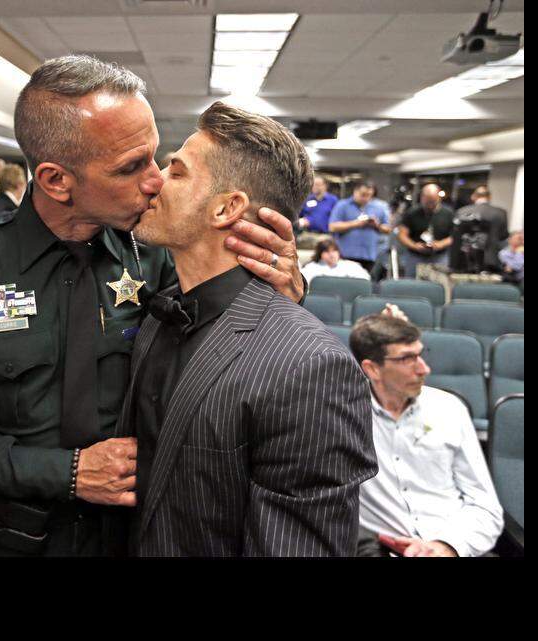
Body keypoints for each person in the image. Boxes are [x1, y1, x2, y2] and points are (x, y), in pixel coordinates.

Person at [0, 54, 306, 557]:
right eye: (131, 167)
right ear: (56, 180)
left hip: (144, 535)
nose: (156, 180)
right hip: (18, 539)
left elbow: (225, 370)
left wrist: (273, 302)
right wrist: (68, 473)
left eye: (156, 157)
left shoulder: (158, 254)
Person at [121, 100, 377, 556]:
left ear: (226, 208)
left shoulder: (309, 366)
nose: (155, 180)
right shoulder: (161, 317)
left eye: (176, 172)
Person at [349, 313, 503, 557]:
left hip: (455, 548)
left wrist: (446, 547)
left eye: (420, 354)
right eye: (406, 358)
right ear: (372, 369)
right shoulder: (345, 415)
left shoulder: (450, 408)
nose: (424, 369)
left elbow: (485, 507)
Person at [329, 182, 391, 272]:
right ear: (355, 191)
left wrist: (377, 225)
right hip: (346, 254)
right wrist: (356, 223)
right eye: (363, 195)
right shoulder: (342, 205)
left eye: (369, 195)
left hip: (369, 255)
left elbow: (388, 229)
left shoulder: (379, 207)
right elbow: (332, 227)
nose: (366, 198)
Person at [399, 184, 455, 278]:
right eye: (427, 202)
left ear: (439, 198)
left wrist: (441, 244)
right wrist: (414, 245)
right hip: (415, 256)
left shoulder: (448, 214)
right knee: (412, 283)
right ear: (422, 198)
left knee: (440, 283)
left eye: (433, 202)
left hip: (439, 256)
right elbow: (402, 235)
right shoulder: (412, 213)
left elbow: (453, 236)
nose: (430, 205)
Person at [454, 186, 509, 271]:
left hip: (466, 260)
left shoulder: (462, 211)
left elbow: (456, 238)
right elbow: (503, 236)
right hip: (491, 260)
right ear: (489, 197)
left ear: (474, 196)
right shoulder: (501, 213)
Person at [301, 238, 372, 285]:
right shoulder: (310, 268)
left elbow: (364, 283)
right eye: (327, 251)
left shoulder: (352, 266)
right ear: (320, 254)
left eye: (334, 251)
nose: (332, 255)